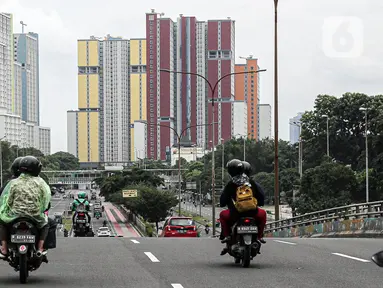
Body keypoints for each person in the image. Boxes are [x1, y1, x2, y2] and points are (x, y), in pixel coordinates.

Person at [0, 156, 51, 259]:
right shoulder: (41, 183)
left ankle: (4, 249)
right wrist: (41, 209)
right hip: (35, 216)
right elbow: (45, 200)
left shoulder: (13, 183)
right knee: (46, 225)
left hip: (14, 215)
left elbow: (8, 201)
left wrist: (6, 211)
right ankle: (40, 248)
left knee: (2, 223)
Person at [219, 159, 267, 256]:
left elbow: (222, 201)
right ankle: (259, 236)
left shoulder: (230, 184)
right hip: (253, 213)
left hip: (235, 215)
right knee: (263, 214)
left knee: (222, 215)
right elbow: (261, 197)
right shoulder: (251, 183)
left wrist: (225, 204)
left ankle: (227, 236)